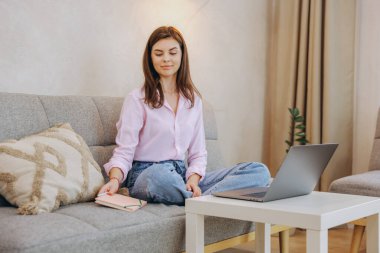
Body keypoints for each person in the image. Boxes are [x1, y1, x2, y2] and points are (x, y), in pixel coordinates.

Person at [98, 26, 270, 205]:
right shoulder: (137, 99)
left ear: (182, 55)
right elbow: (124, 152)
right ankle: (206, 201)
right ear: (150, 58)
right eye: (158, 53)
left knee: (258, 171)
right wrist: (115, 180)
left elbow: (198, 153)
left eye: (172, 52)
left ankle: (198, 199)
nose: (166, 59)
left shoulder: (192, 100)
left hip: (182, 176)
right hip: (147, 176)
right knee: (158, 177)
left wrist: (193, 180)